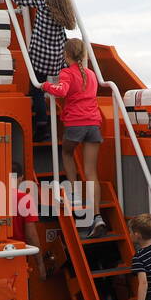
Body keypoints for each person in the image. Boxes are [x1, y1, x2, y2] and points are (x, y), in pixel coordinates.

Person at [0, 0, 77, 139]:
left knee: (38, 89)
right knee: (53, 87)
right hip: (57, 59)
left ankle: (42, 128)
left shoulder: (43, 2)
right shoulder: (63, 5)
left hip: (40, 57)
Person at [42, 37, 106, 237]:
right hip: (93, 124)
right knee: (91, 172)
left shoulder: (67, 73)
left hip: (76, 124)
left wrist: (45, 85)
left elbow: (61, 91)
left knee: (67, 153)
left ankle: (74, 194)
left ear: (66, 55)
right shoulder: (91, 74)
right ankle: (97, 216)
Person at [11, 162, 46, 280]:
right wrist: (40, 264)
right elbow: (31, 236)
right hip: (17, 255)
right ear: (21, 178)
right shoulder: (24, 199)